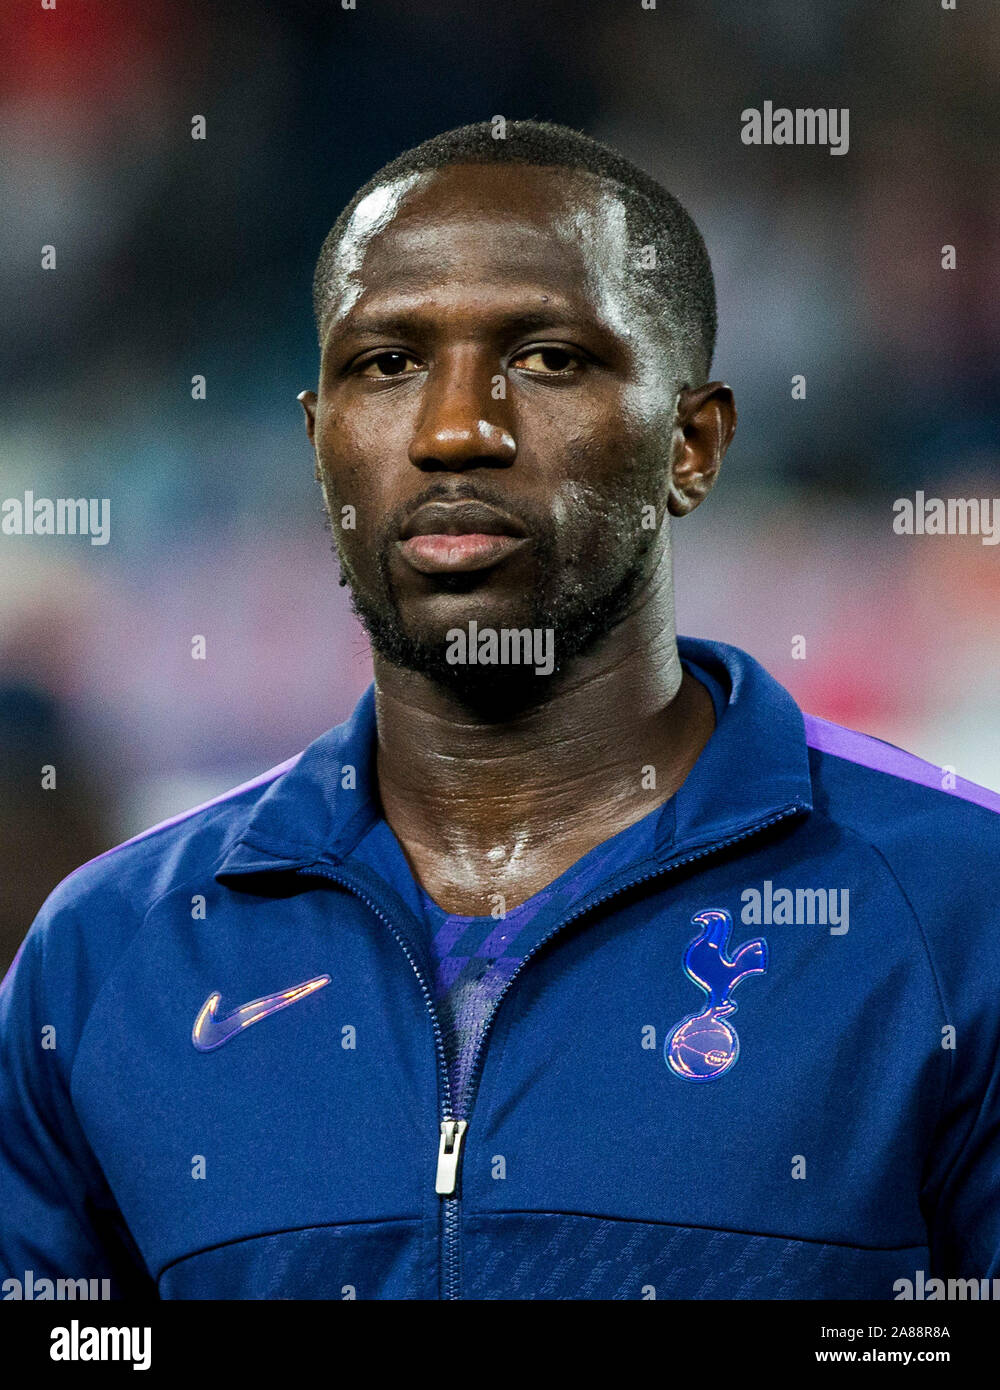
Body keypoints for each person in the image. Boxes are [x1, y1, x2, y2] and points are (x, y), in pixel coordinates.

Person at [2, 121, 998, 1302]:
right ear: (319, 444)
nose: (454, 429)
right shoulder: (113, 953)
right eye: (386, 364)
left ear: (693, 442)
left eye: (545, 358)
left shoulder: (958, 913)